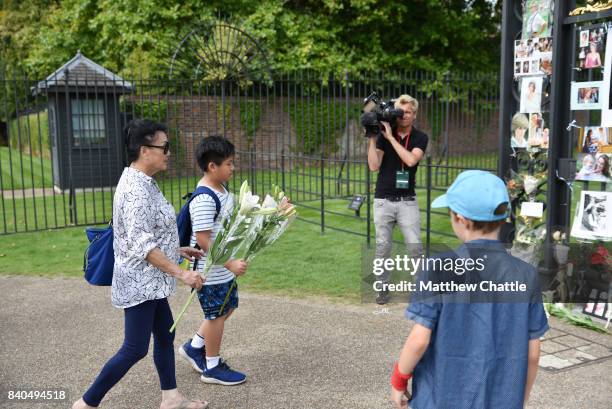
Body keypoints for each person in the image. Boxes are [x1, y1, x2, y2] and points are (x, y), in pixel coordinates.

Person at [72, 119, 208, 409]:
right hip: (141, 283)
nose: (169, 153)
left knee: (163, 335)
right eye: (165, 147)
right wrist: (182, 273)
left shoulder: (144, 182)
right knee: (134, 349)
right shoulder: (134, 190)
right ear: (145, 150)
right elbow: (143, 246)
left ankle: (170, 397)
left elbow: (147, 234)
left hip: (152, 281)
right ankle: (86, 403)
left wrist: (177, 249)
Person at [390, 170, 548, 409]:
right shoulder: (526, 275)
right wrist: (520, 398)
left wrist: (399, 380)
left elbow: (419, 340)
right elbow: (533, 353)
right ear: (504, 217)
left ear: (461, 219)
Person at [178, 136, 248, 385]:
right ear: (212, 167)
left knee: (225, 309)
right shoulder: (205, 198)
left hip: (221, 269)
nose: (233, 168)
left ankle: (194, 347)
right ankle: (212, 366)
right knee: (216, 315)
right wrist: (228, 263)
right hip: (211, 271)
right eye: (229, 164)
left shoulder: (222, 190)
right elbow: (203, 239)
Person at [367, 94, 428, 304]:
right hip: (383, 199)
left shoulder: (420, 137)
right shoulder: (383, 136)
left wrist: (392, 138)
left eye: (407, 112)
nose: (402, 115)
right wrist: (373, 137)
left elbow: (411, 160)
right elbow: (374, 166)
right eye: (399, 111)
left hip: (407, 201)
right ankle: (381, 289)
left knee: (414, 247)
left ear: (414, 115)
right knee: (383, 247)